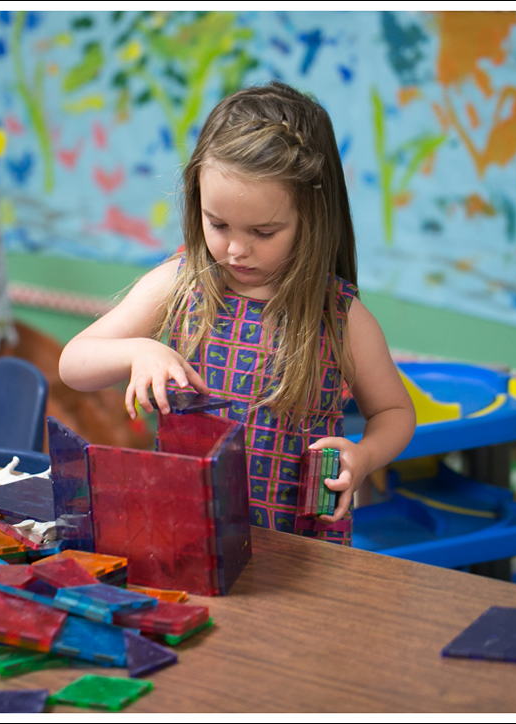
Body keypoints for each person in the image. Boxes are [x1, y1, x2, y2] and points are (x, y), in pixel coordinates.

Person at [60, 81, 415, 544]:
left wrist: (364, 456)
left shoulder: (341, 317)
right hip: (190, 534)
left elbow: (394, 411)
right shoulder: (181, 284)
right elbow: (73, 364)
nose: (236, 249)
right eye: (218, 224)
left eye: (263, 232)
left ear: (312, 217)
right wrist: (138, 351)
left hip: (300, 550)